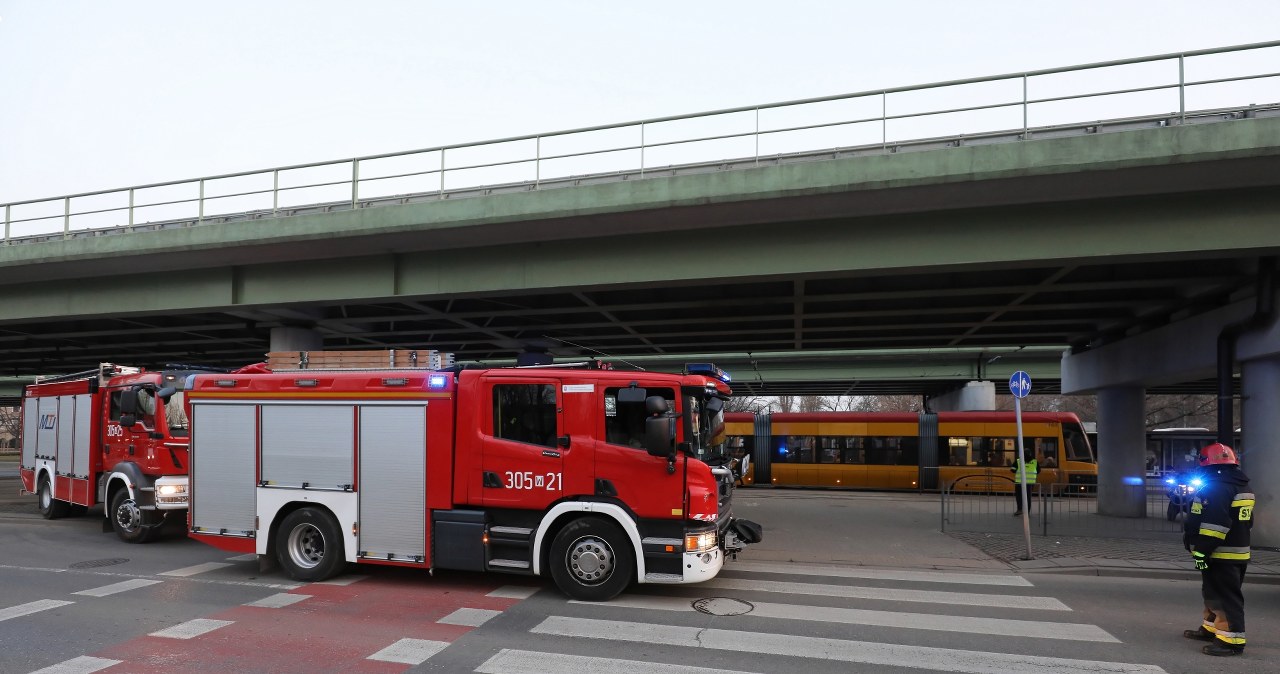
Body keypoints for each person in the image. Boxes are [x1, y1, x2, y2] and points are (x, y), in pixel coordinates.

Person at [1182, 442, 1253, 657]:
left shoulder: (1218, 486)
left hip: (1219, 551)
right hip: (1234, 550)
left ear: (1206, 464)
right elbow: (1247, 522)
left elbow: (1216, 524)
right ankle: (1212, 628)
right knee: (1213, 592)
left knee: (1225, 596)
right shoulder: (1240, 485)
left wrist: (1202, 550)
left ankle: (1232, 640)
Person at [1010, 447, 1037, 516]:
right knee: (1028, 497)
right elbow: (1039, 471)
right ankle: (1027, 512)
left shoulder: (1018, 461)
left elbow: (1012, 470)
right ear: (1030, 454)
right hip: (1030, 483)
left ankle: (1019, 510)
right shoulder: (1034, 461)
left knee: (1019, 496)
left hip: (1019, 482)